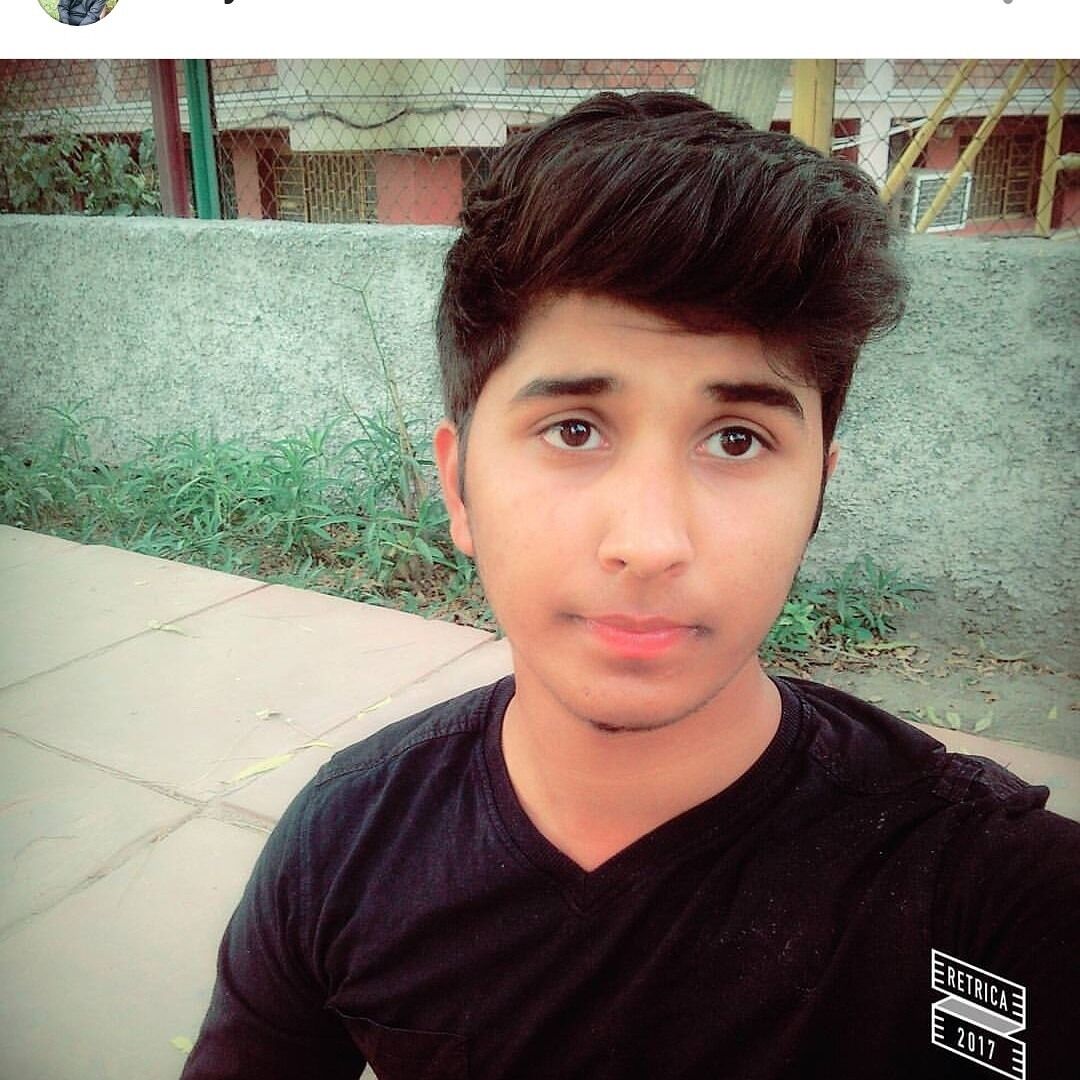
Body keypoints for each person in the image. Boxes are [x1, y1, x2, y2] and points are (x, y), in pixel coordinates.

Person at [182, 92, 1080, 1079]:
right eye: (574, 430)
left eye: (737, 440)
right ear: (459, 486)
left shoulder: (988, 896)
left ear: (817, 495)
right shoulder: (347, 847)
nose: (650, 544)